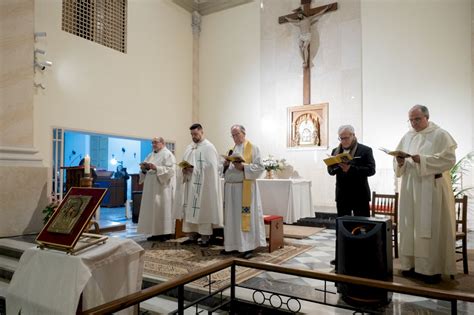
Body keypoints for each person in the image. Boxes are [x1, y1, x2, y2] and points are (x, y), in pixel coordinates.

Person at [395, 105, 457, 284]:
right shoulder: (407, 136)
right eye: (411, 119)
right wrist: (400, 161)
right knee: (410, 226)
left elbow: (448, 160)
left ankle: (431, 269)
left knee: (430, 226)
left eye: (417, 119)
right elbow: (400, 164)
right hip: (411, 187)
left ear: (426, 117)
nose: (413, 123)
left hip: (432, 187)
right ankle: (410, 265)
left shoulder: (440, 135)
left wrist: (422, 159)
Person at [327, 125, 376, 265]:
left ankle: (364, 257)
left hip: (359, 194)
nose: (343, 141)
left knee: (362, 226)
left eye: (346, 138)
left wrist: (351, 168)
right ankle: (342, 256)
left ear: (353, 135)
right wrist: (336, 165)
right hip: (342, 195)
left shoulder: (365, 150)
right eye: (341, 138)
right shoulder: (335, 151)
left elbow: (371, 170)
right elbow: (331, 171)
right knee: (342, 226)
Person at [174, 123, 223, 247]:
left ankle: (205, 237)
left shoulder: (209, 147)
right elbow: (183, 163)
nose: (193, 137)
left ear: (202, 132)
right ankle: (192, 236)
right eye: (191, 134)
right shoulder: (189, 148)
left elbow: (212, 168)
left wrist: (195, 169)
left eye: (195, 134)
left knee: (203, 210)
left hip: (204, 187)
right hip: (191, 185)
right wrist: (184, 170)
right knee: (190, 209)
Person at [222, 125, 266, 259]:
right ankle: (231, 245)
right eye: (233, 135)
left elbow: (260, 168)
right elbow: (226, 170)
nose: (235, 137)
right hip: (231, 189)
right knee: (231, 218)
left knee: (244, 219)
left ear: (244, 133)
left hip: (244, 189)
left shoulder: (253, 148)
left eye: (237, 134)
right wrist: (224, 165)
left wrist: (243, 167)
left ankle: (247, 247)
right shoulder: (232, 150)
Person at [137, 137, 176, 241]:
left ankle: (165, 233)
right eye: (152, 143)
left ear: (162, 143)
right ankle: (154, 233)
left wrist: (156, 168)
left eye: (155, 142)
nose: (153, 144)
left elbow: (171, 170)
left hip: (162, 188)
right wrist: (144, 169)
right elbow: (144, 171)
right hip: (150, 188)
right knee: (152, 210)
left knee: (161, 209)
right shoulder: (150, 155)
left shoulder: (168, 154)